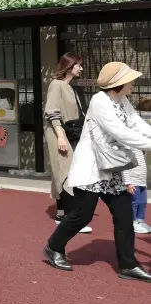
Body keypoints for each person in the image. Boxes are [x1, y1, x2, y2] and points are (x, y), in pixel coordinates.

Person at [44, 62, 151, 283]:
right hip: (93, 168)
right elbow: (120, 132)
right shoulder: (100, 101)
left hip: (112, 169)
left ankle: (128, 265)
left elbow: (137, 124)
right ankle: (53, 247)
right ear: (119, 83)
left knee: (124, 215)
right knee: (82, 215)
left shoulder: (121, 101)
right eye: (130, 80)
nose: (133, 83)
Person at [45, 53, 90, 232]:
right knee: (66, 171)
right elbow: (52, 111)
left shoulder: (70, 87)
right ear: (69, 66)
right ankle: (71, 218)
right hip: (59, 134)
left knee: (62, 170)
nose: (81, 68)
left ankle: (62, 212)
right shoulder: (56, 85)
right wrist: (61, 136)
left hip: (69, 133)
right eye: (78, 65)